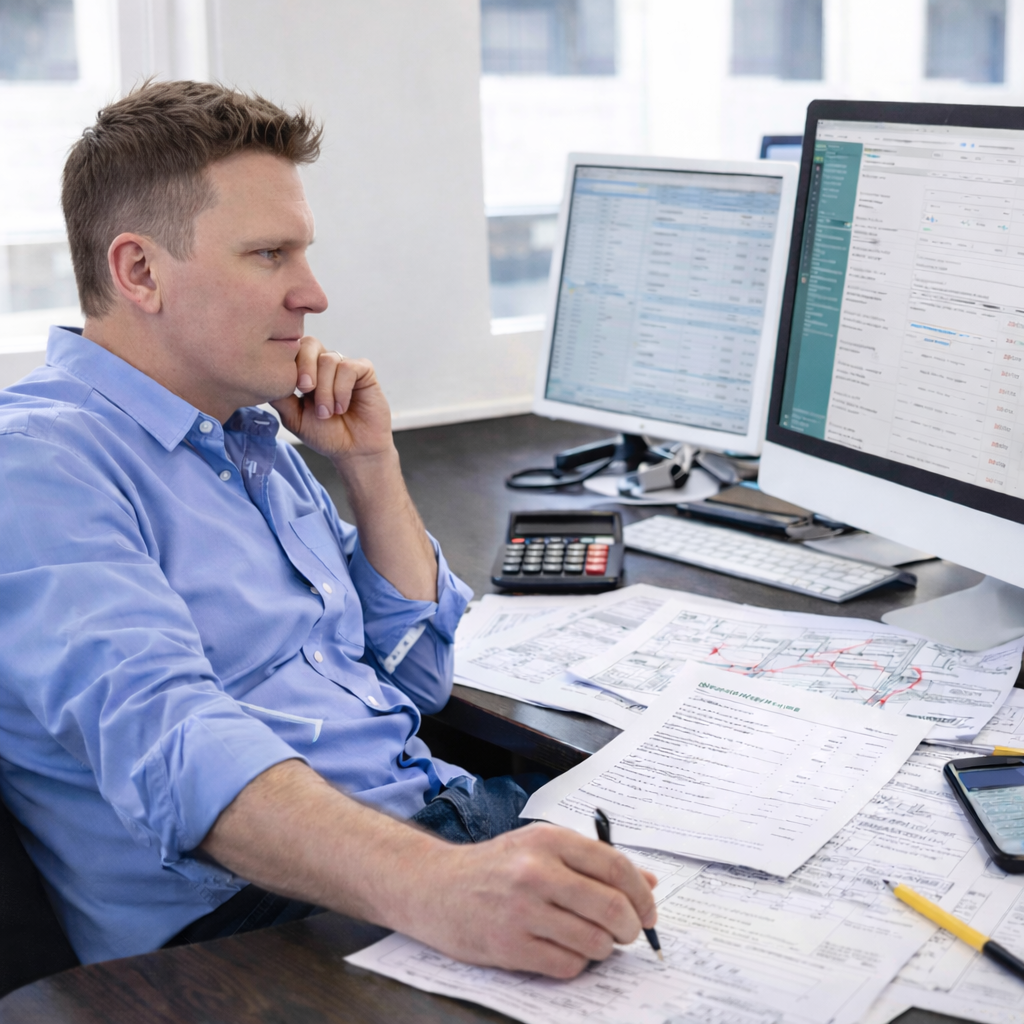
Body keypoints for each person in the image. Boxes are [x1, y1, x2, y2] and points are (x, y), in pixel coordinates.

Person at [0, 81, 656, 976]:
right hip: (254, 930)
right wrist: (439, 886)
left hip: (426, 836)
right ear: (140, 272)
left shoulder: (245, 429)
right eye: (270, 255)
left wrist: (372, 468)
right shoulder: (39, 466)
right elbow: (175, 748)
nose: (312, 293)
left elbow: (414, 677)